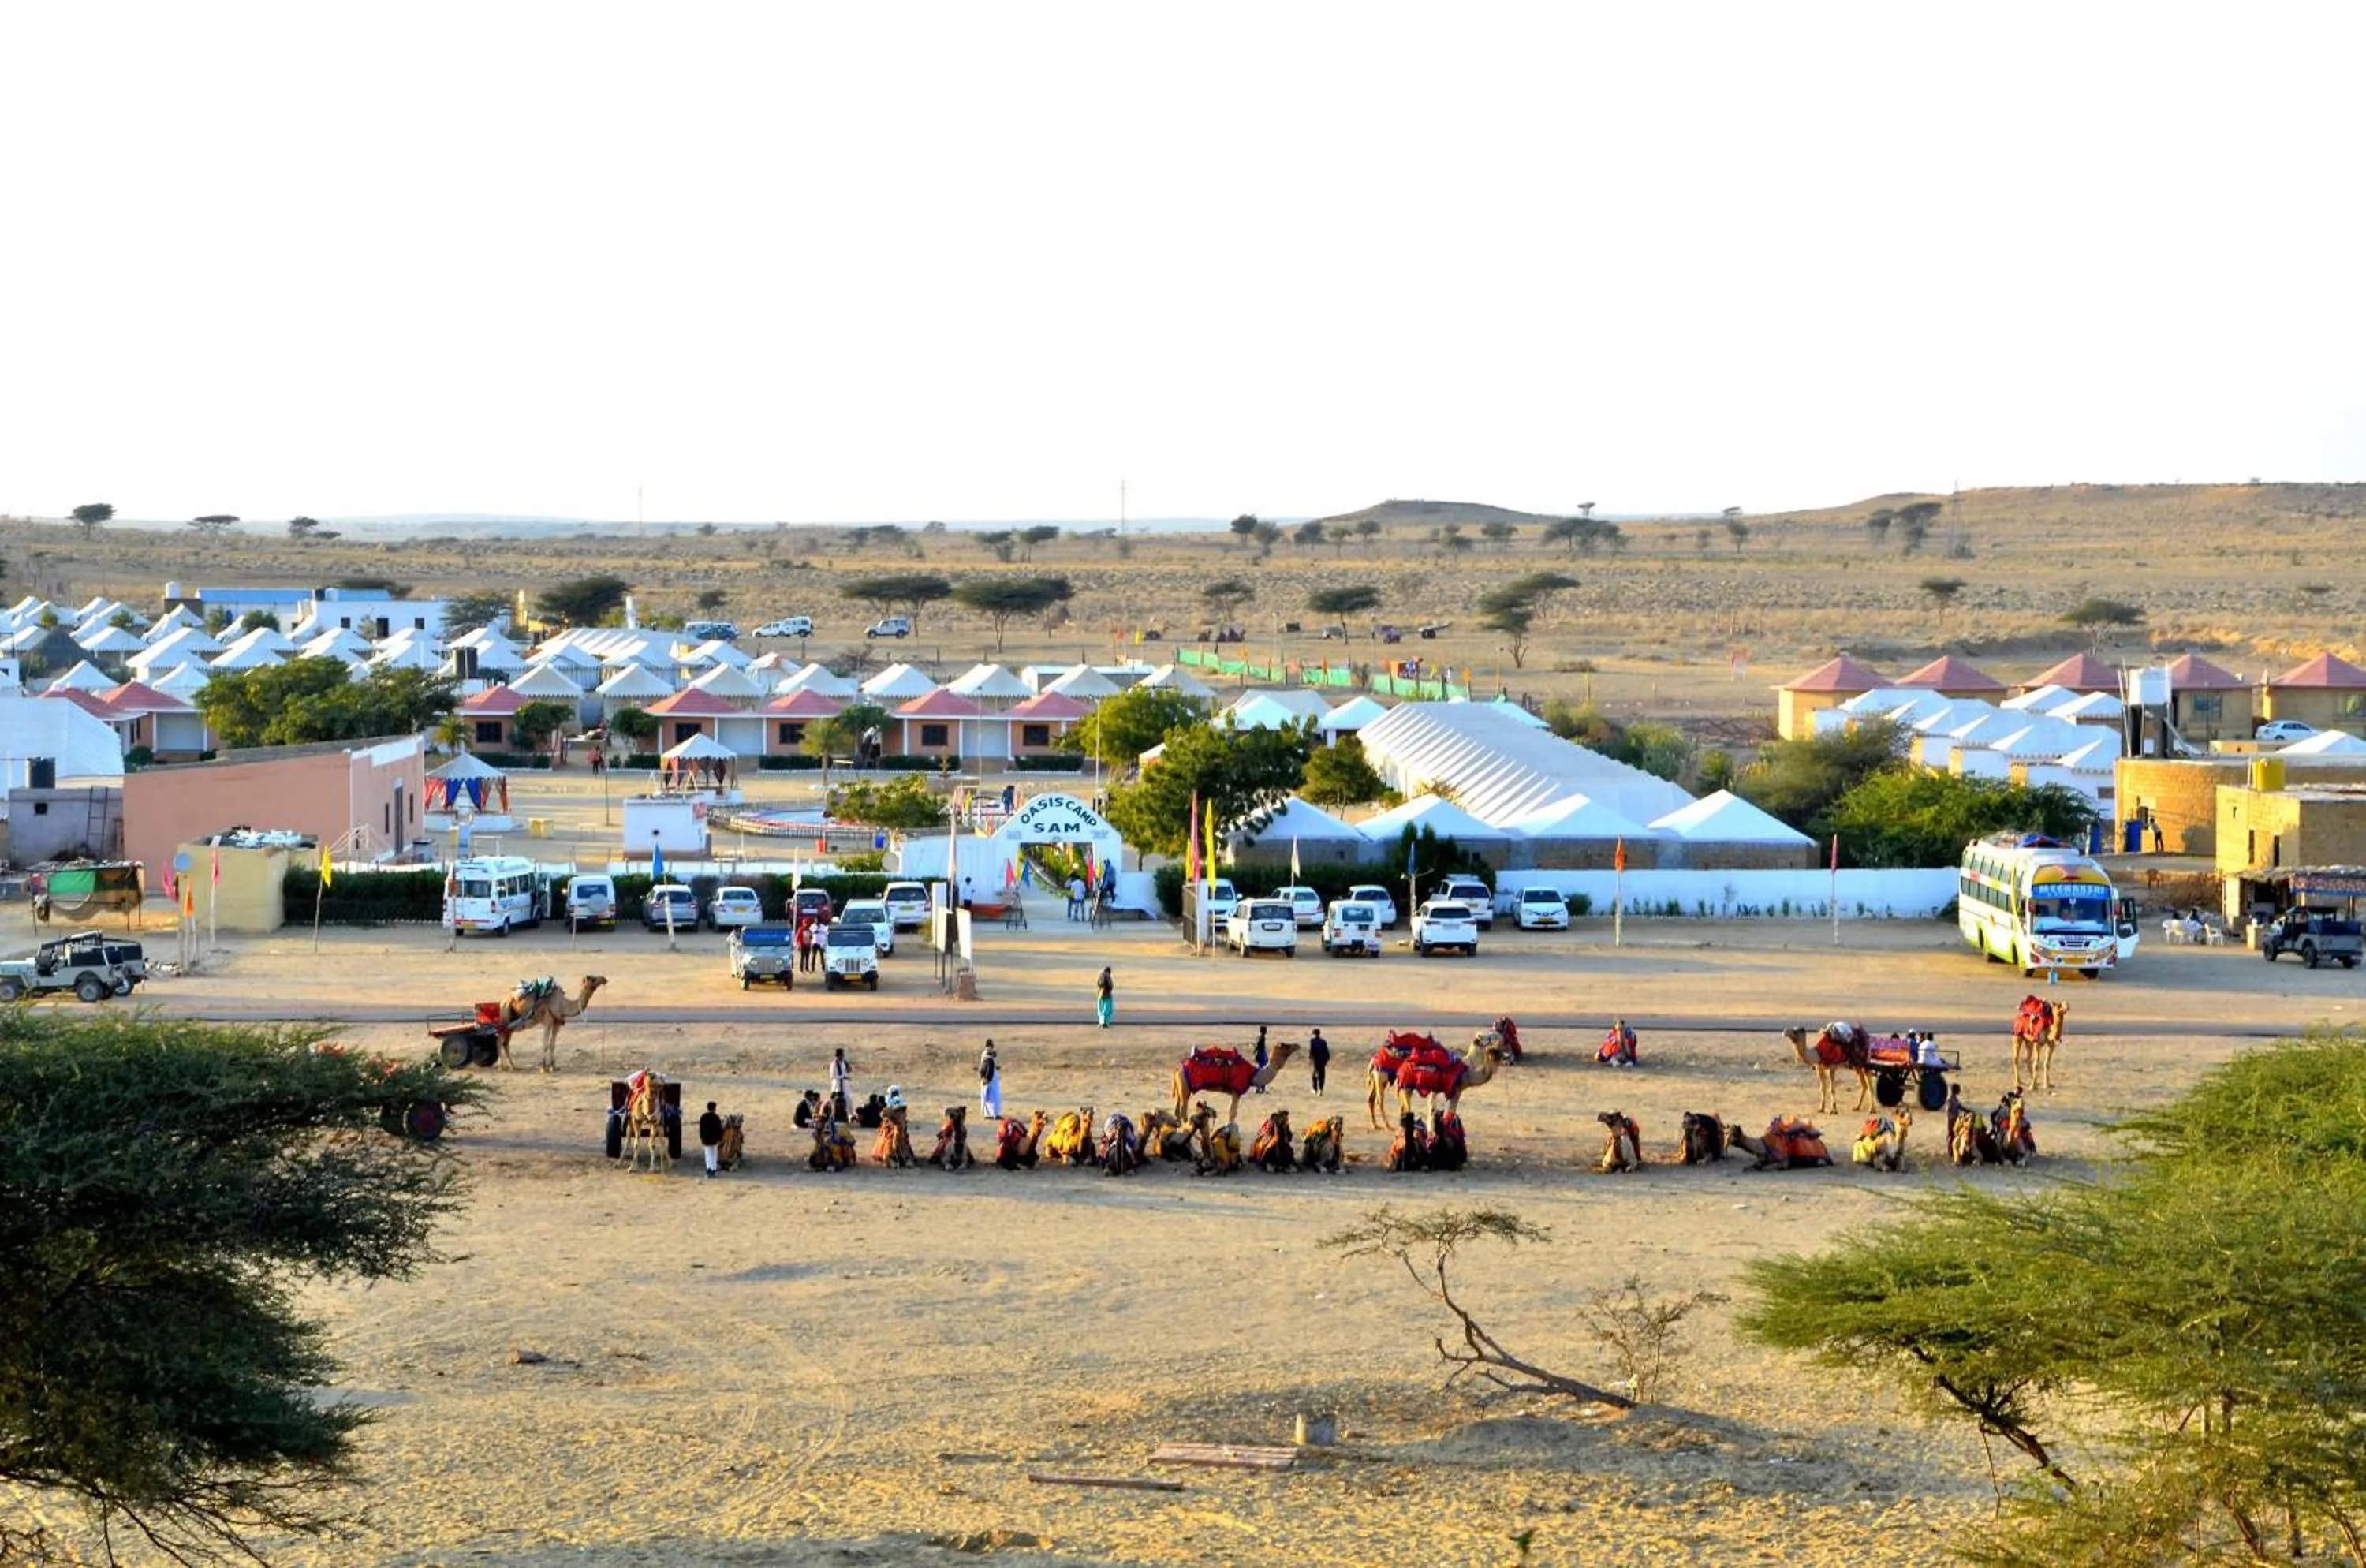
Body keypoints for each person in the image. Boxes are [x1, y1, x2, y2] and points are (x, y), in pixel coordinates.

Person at [698, 1100, 725, 1178]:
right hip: (714, 1140)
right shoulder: (716, 1118)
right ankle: (713, 1170)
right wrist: (720, 1138)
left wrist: (702, 1137)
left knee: (708, 1155)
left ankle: (709, 1170)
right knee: (714, 1155)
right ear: (714, 1108)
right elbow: (719, 1129)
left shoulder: (703, 1117)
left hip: (706, 1139)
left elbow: (701, 1129)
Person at [978, 1039, 1002, 1120]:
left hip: (993, 1078)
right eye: (989, 1047)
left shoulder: (993, 1055)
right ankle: (989, 1114)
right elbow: (984, 1067)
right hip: (987, 1078)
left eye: (991, 1047)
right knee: (988, 1096)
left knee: (993, 1096)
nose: (990, 1049)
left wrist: (996, 1064)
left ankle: (994, 1114)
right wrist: (984, 1077)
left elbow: (996, 1066)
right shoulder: (985, 1056)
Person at [830, 1048, 852, 1120]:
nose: (843, 1056)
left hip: (845, 1085)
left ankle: (847, 1116)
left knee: (847, 1099)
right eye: (842, 1054)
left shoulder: (844, 1062)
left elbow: (848, 1071)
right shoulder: (834, 1064)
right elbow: (832, 1076)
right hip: (837, 1085)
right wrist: (843, 1077)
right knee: (837, 1101)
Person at [1308, 1028, 1330, 1095]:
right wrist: (1326, 1060)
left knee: (1315, 1075)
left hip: (1316, 1060)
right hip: (1322, 1060)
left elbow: (1311, 1051)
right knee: (1322, 1075)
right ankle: (1321, 1089)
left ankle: (1315, 1089)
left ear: (1314, 1034)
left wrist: (1310, 1059)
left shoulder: (1312, 1041)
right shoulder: (1323, 1041)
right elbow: (1326, 1051)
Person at [1095, 965, 1114, 1029]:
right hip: (1107, 995)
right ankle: (1105, 1023)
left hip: (1100, 994)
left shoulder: (1100, 975)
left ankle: (1101, 1023)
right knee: (1107, 1009)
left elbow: (1099, 984)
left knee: (1101, 1009)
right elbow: (1110, 986)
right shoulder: (1108, 976)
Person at [1252, 1025, 1270, 1093]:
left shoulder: (1259, 1038)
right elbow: (1260, 1048)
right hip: (1262, 1056)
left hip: (1262, 1056)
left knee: (1261, 1072)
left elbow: (1257, 1047)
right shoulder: (1262, 1038)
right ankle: (1259, 1088)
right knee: (1262, 1072)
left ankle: (1261, 1089)